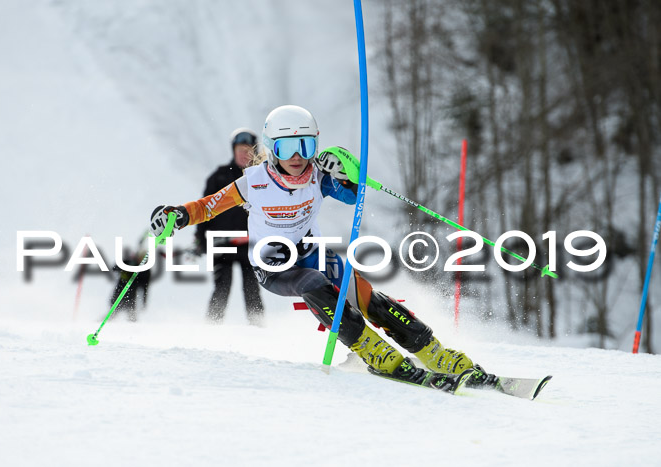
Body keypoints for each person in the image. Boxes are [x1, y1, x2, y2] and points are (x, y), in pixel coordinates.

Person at [149, 105, 496, 388]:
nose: (297, 158)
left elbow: (355, 193)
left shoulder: (318, 176)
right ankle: (372, 351)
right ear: (271, 149)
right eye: (287, 148)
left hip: (311, 250)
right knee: (313, 285)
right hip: (272, 264)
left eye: (306, 146)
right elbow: (208, 206)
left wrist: (347, 170)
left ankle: (434, 352)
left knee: (363, 294)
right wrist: (177, 216)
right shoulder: (254, 181)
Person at [194, 128, 264, 324]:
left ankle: (258, 326)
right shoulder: (219, 177)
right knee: (222, 286)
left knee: (252, 287)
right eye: (240, 149)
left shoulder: (261, 178)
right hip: (221, 243)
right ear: (233, 151)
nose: (244, 154)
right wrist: (200, 239)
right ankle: (212, 324)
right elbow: (203, 209)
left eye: (248, 150)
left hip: (249, 245)